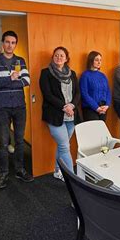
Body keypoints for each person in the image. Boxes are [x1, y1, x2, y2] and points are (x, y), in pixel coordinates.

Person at [0, 30, 34, 189]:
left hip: (19, 107)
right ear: (3, 43)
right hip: (2, 108)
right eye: (7, 42)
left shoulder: (20, 61)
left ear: (15, 44)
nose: (10, 45)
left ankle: (20, 170)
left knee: (19, 141)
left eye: (13, 42)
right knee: (4, 142)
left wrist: (5, 82)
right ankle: (3, 173)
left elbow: (27, 81)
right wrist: (11, 78)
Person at [40, 47, 81, 180]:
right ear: (53, 57)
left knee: (63, 145)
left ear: (66, 58)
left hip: (71, 115)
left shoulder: (72, 73)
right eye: (56, 55)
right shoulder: (46, 73)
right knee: (64, 146)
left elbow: (77, 93)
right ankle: (72, 178)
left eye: (61, 55)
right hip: (54, 114)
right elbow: (47, 95)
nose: (59, 58)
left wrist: (72, 105)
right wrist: (64, 106)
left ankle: (57, 170)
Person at [79, 51, 111, 121]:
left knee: (101, 131)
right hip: (90, 109)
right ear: (91, 60)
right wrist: (96, 107)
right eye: (96, 60)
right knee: (93, 131)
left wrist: (107, 105)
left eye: (100, 60)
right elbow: (84, 94)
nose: (99, 62)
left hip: (103, 108)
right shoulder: (85, 75)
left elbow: (108, 91)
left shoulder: (103, 75)